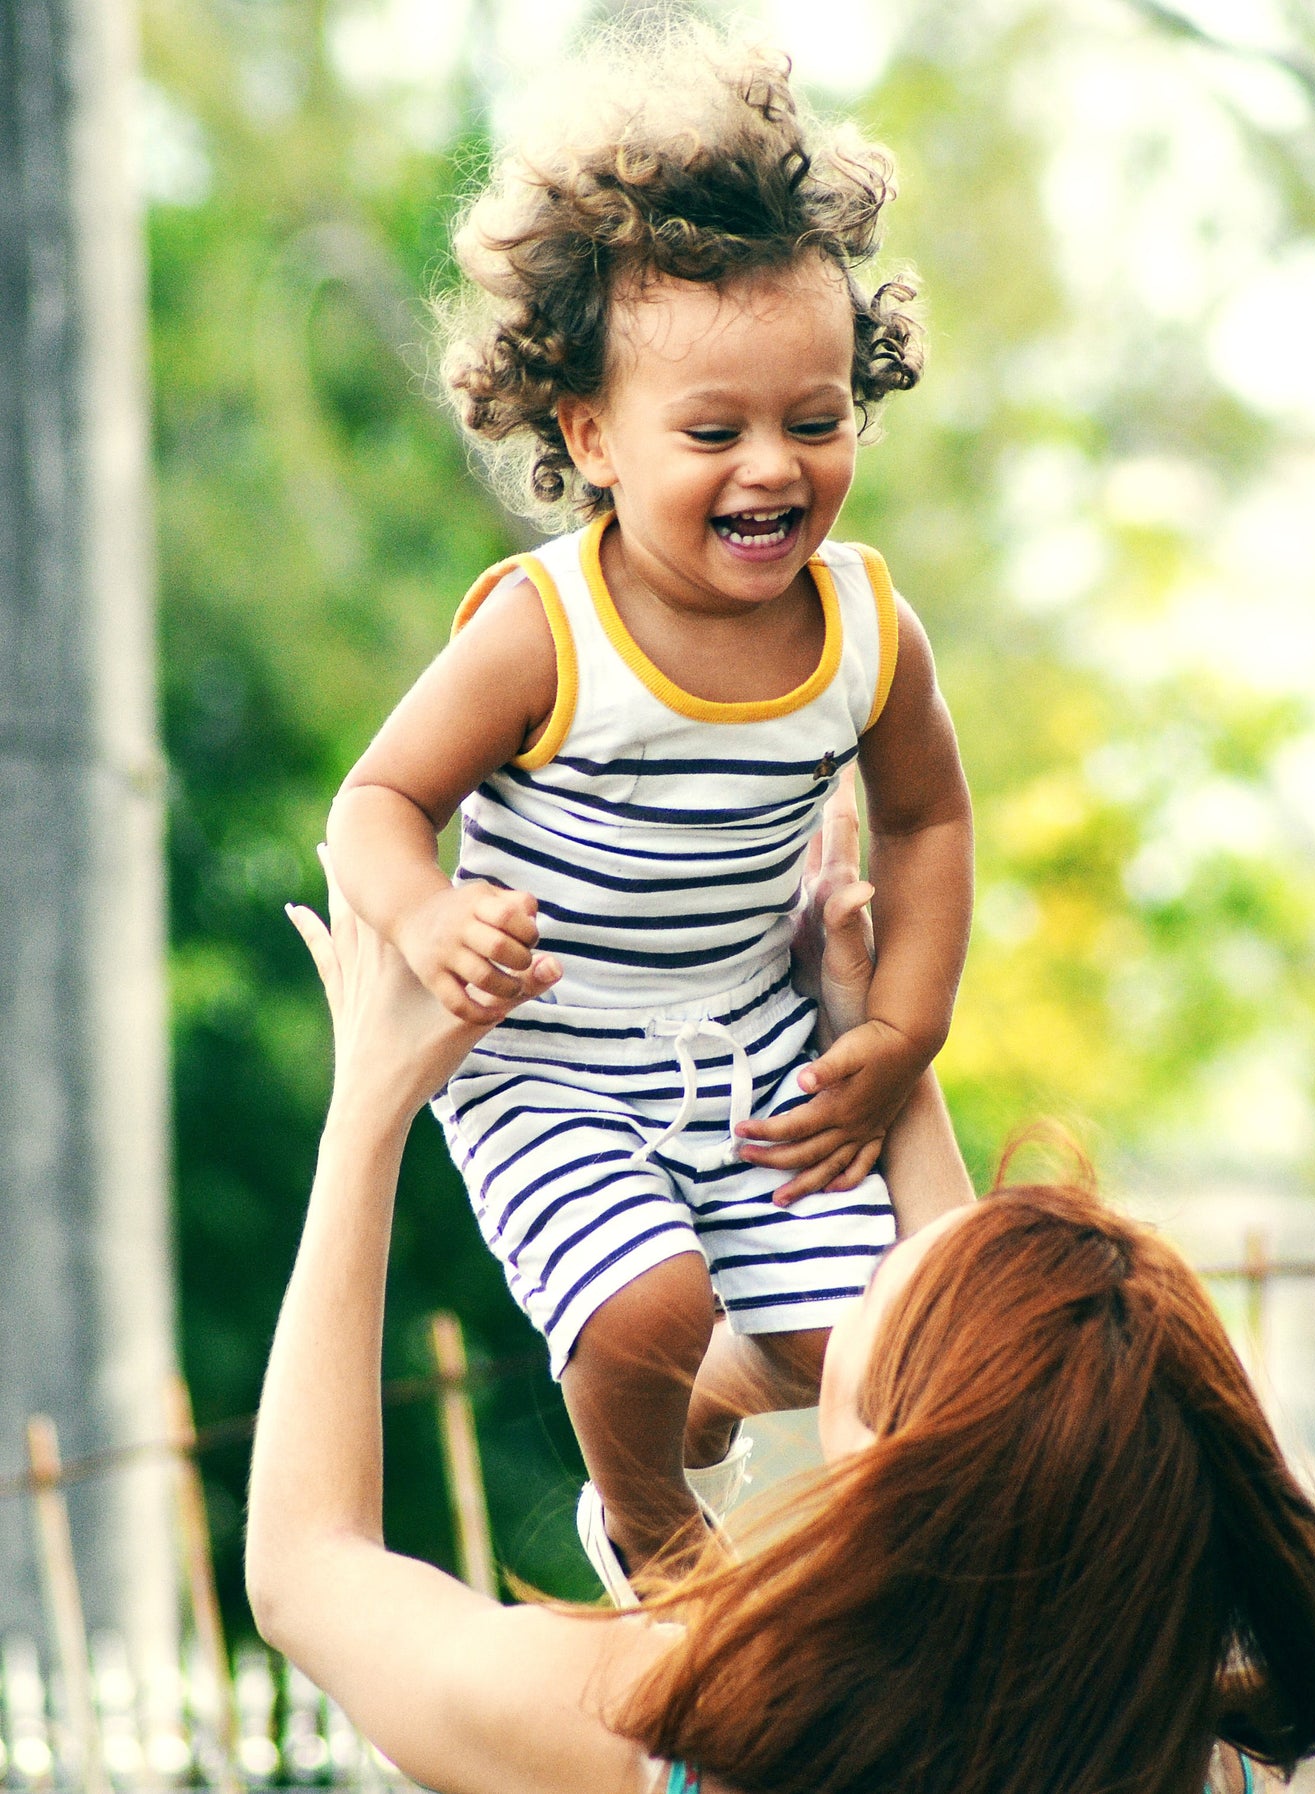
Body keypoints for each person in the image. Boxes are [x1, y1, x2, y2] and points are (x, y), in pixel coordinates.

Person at [248, 829, 1315, 1794]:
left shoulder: (660, 1735)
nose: (878, 1256)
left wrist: (368, 1111)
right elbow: (989, 1398)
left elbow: (309, 1572)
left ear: (889, 1467)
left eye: (879, 1288)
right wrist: (871, 1039)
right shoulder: (1196, 1761)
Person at [324, 26, 973, 1595]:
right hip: (550, 1050)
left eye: (815, 421)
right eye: (714, 432)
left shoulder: (868, 630)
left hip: (750, 1036)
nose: (773, 467)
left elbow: (932, 825)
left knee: (858, 1346)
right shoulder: (547, 632)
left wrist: (899, 1032)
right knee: (640, 1308)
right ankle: (655, 1535)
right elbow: (375, 800)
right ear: (591, 436)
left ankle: (702, 1395)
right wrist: (428, 914)